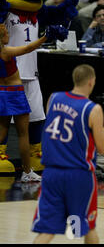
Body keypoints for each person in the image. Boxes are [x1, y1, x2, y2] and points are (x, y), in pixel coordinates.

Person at [31, 64, 104, 244]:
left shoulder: (53, 98)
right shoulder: (92, 109)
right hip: (78, 175)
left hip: (51, 174)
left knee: (46, 231)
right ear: (91, 82)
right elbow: (103, 147)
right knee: (87, 228)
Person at [0, 22, 67, 182]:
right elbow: (27, 49)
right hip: (15, 94)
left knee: (1, 133)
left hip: (1, 93)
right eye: (6, 33)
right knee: (23, 134)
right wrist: (45, 36)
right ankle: (27, 171)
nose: (9, 35)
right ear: (2, 38)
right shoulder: (6, 51)